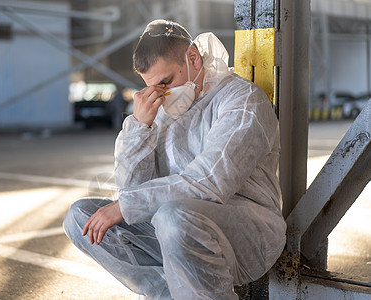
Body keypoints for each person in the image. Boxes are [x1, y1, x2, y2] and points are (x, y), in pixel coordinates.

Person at [63, 19, 286, 300]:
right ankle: (168, 295)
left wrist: (127, 205)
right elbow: (133, 191)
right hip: (173, 228)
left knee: (172, 216)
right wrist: (140, 127)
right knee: (79, 217)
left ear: (192, 58)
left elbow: (210, 182)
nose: (162, 94)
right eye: (152, 87)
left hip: (248, 231)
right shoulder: (163, 112)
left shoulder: (241, 100)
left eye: (166, 82)